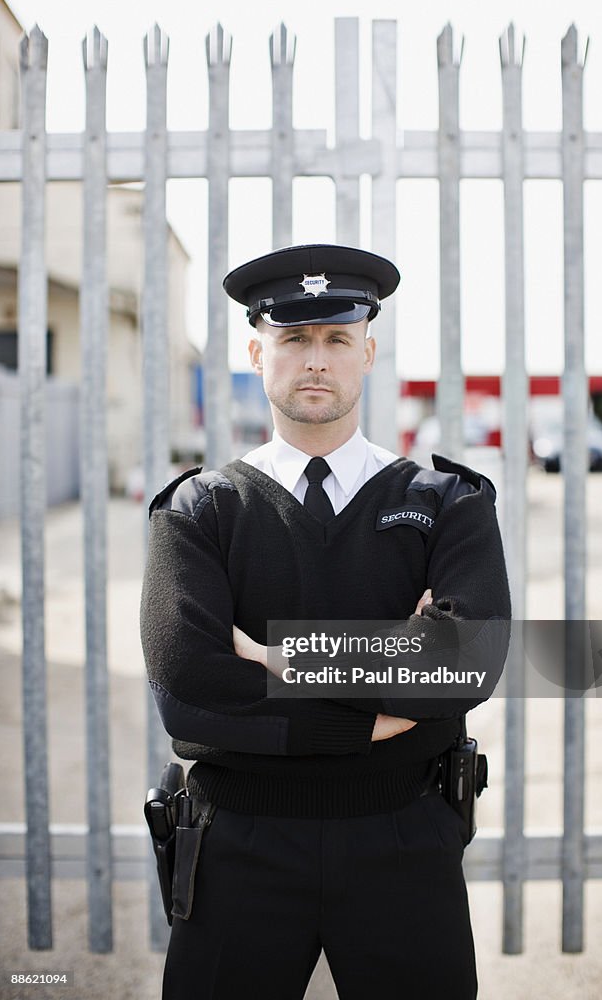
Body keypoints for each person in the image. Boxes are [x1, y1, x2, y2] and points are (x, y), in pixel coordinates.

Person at [140, 243, 511, 1000]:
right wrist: (378, 703)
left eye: (337, 339)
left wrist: (280, 659)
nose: (316, 360)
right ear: (256, 351)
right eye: (293, 338)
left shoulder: (447, 502)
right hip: (238, 842)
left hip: (404, 837)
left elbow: (464, 660)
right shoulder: (201, 509)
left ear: (367, 353)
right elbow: (191, 689)